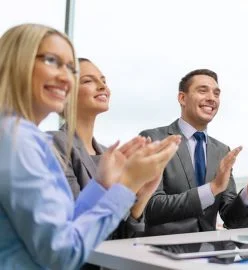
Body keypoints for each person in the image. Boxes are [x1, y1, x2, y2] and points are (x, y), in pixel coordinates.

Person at [0, 23, 180, 269]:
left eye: (70, 68)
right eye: (52, 61)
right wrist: (126, 185)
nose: (65, 77)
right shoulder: (16, 141)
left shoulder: (26, 138)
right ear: (16, 61)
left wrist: (103, 185)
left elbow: (64, 225)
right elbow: (62, 253)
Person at [140, 69, 248, 235]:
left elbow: (231, 219)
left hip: (209, 251)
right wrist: (212, 188)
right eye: (202, 90)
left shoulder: (221, 151)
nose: (212, 98)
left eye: (216, 93)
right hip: (162, 250)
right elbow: (150, 207)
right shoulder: (154, 139)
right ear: (182, 98)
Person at [51, 58, 150, 239]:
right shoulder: (55, 144)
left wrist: (141, 197)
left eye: (103, 80)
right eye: (88, 81)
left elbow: (122, 236)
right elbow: (73, 225)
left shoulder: (108, 155)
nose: (102, 86)